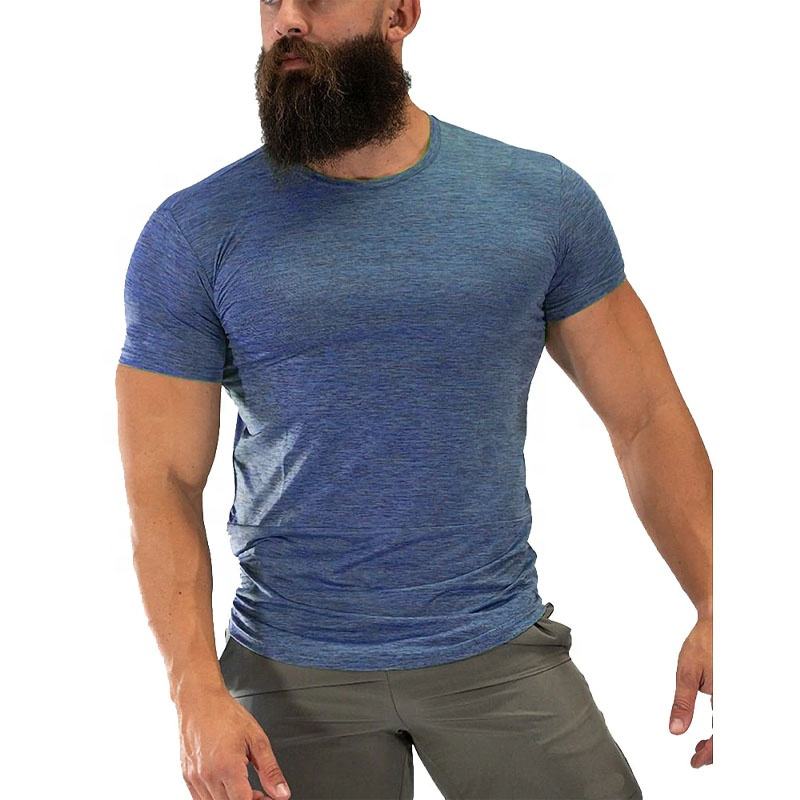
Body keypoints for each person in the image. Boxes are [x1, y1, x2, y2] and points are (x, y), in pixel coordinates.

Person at [115, 1, 712, 798]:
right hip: (287, 669)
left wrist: (720, 600)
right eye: (269, 0)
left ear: (399, 13)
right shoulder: (194, 232)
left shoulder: (537, 200)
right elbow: (161, 481)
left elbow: (645, 415)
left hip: (494, 645)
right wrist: (195, 692)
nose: (287, 20)